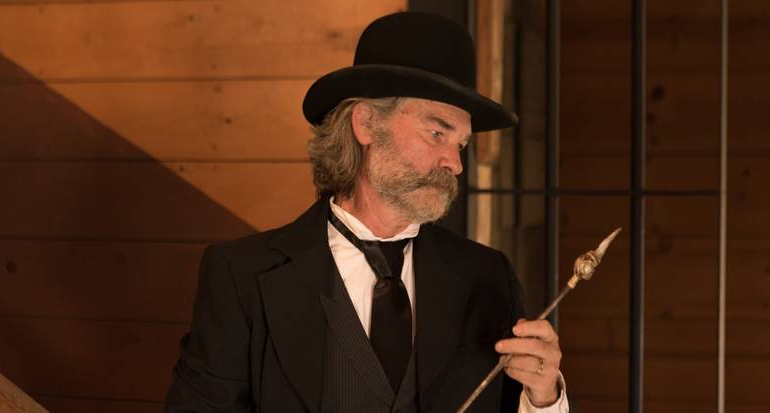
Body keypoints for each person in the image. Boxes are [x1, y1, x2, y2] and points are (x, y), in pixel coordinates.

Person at [165, 11, 569, 413]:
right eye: (437, 133)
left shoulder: (489, 277)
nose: (455, 163)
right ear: (366, 123)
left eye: (460, 144)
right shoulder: (241, 278)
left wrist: (544, 397)